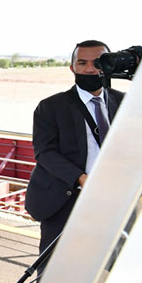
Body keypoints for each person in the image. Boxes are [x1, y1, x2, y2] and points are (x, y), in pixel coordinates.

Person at [25, 40, 124, 264]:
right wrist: (81, 178)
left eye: (98, 63)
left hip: (110, 198)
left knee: (108, 263)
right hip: (65, 199)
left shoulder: (123, 102)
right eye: (82, 63)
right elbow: (45, 152)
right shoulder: (51, 107)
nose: (90, 69)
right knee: (53, 267)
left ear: (109, 66)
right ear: (72, 68)